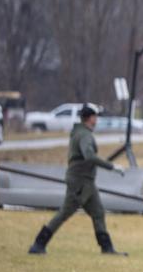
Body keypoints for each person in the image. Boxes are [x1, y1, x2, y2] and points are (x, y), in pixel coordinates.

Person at [28, 104, 127, 255]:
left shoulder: (79, 131)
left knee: (98, 212)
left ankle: (107, 248)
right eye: (95, 116)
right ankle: (38, 245)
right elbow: (89, 155)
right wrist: (111, 166)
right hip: (79, 183)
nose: (97, 120)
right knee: (64, 213)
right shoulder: (85, 135)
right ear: (91, 118)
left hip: (87, 183)